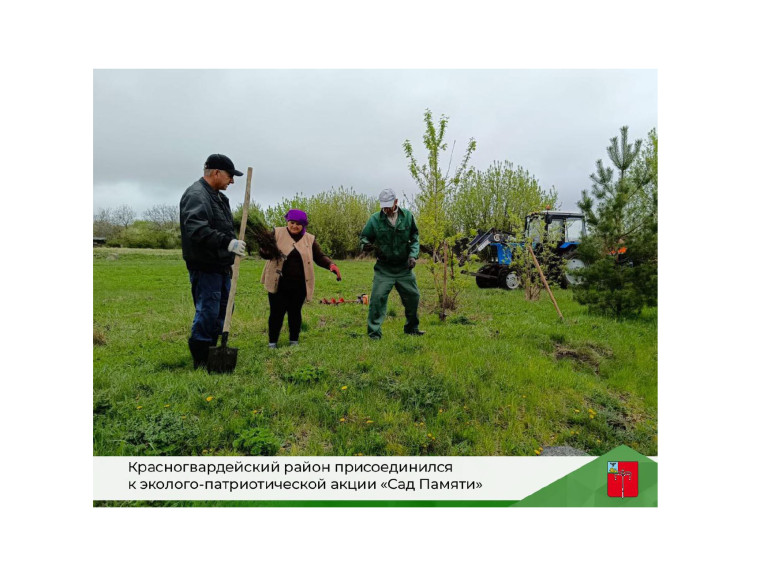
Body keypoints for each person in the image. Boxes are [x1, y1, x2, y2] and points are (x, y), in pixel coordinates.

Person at [179, 154, 247, 369]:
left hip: (221, 266)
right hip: (205, 266)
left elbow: (222, 227)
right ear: (216, 173)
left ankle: (214, 351)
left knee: (224, 310)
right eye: (230, 176)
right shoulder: (197, 195)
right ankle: (200, 359)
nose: (232, 181)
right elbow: (196, 230)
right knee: (208, 311)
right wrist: (228, 243)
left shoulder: (218, 198)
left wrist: (232, 244)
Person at [260, 209, 341, 348]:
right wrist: (265, 250)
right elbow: (265, 252)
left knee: (295, 312)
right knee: (276, 313)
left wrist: (330, 265)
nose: (294, 226)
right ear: (287, 221)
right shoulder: (277, 233)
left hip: (299, 285)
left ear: (304, 225)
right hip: (278, 283)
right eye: (292, 222)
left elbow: (319, 256)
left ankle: (294, 341)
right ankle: (272, 342)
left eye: (298, 224)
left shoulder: (309, 239)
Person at [359, 188, 423, 339]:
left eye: (389, 205)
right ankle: (374, 334)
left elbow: (415, 237)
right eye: (383, 205)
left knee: (413, 297)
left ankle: (411, 328)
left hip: (404, 267)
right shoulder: (374, 219)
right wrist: (365, 245)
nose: (386, 209)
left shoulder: (407, 216)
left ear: (396, 202)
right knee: (377, 299)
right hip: (384, 268)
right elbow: (364, 237)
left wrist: (413, 256)